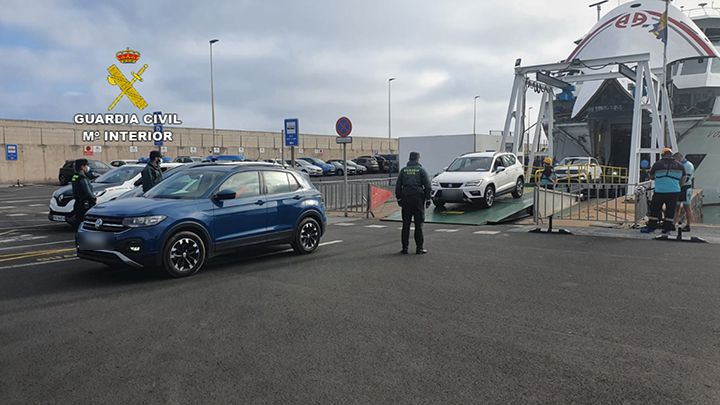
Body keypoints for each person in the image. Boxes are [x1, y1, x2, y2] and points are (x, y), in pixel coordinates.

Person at [641, 148, 686, 234]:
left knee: (655, 209)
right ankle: (667, 228)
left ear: (662, 155)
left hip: (660, 191)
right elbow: (684, 177)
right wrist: (678, 186)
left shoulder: (657, 164)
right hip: (674, 191)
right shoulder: (680, 165)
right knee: (670, 210)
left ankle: (652, 227)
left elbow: (651, 176)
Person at [395, 151, 431, 255]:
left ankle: (404, 248)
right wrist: (428, 199)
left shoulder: (403, 171)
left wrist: (399, 199)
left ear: (409, 159)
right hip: (418, 199)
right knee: (418, 224)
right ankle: (419, 248)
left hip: (406, 198)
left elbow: (398, 186)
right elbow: (427, 185)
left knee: (406, 224)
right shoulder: (421, 170)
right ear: (417, 159)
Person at [70, 159, 96, 229]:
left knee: (78, 221)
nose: (87, 167)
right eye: (86, 165)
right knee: (85, 222)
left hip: (77, 202)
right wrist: (93, 199)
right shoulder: (82, 178)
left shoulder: (75, 176)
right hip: (84, 204)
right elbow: (87, 191)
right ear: (82, 167)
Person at [673, 152, 695, 232]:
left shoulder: (688, 165)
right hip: (679, 187)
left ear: (680, 158)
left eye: (676, 160)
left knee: (687, 207)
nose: (675, 162)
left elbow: (686, 179)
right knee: (676, 207)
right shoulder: (679, 165)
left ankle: (688, 225)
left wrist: (677, 186)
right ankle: (673, 223)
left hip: (686, 188)